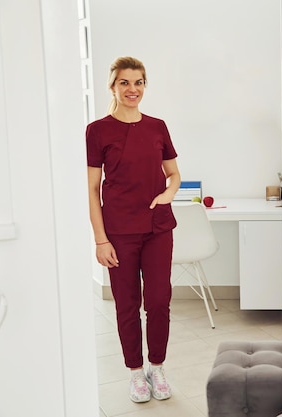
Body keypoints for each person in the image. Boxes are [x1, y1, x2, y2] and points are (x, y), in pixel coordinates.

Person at [86, 56, 181, 403]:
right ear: (113, 85)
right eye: (125, 82)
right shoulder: (97, 131)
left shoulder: (157, 126)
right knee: (126, 304)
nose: (132, 89)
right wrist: (100, 239)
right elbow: (93, 190)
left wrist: (167, 194)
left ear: (145, 86)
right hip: (119, 231)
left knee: (158, 301)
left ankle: (157, 367)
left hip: (158, 227)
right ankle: (135, 373)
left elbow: (174, 174)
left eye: (138, 82)